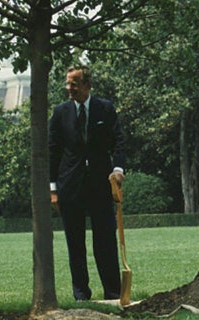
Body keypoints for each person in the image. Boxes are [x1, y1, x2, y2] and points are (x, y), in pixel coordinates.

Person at [48, 65, 126, 301]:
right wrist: (53, 189)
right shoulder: (60, 112)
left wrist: (118, 169)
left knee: (105, 240)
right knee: (75, 242)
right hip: (70, 187)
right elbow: (53, 152)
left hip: (101, 186)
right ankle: (81, 293)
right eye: (67, 83)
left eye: (74, 83)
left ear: (87, 85)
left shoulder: (105, 108)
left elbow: (119, 141)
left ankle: (113, 292)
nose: (69, 88)